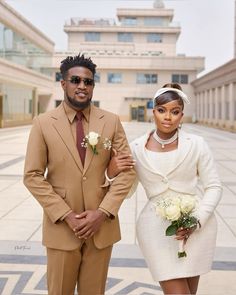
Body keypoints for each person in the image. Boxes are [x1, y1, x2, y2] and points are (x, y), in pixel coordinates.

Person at [23, 54, 136, 295]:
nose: (82, 86)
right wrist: (66, 215)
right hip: (62, 229)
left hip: (101, 229)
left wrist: (103, 212)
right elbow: (32, 175)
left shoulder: (111, 121)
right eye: (75, 80)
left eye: (88, 81)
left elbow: (127, 171)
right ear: (63, 84)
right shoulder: (43, 123)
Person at [107, 83, 222, 295]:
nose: (167, 117)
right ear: (153, 112)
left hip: (195, 228)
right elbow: (128, 190)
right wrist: (111, 172)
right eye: (162, 110)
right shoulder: (136, 148)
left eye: (174, 112)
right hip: (154, 229)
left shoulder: (197, 144)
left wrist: (196, 221)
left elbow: (214, 186)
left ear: (181, 115)